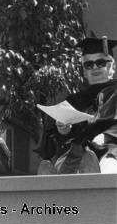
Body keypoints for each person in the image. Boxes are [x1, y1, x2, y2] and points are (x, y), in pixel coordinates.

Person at [37, 36, 117, 174]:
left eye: (100, 62)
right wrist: (63, 130)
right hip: (76, 157)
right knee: (58, 166)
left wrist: (106, 137)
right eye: (89, 65)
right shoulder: (73, 101)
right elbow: (57, 142)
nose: (95, 68)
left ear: (112, 66)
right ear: (84, 71)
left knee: (107, 165)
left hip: (111, 155)